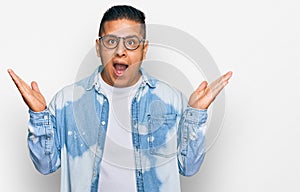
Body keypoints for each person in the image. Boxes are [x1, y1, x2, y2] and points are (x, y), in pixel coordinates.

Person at [8, 5, 232, 192]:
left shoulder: (171, 99)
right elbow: (46, 166)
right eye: (111, 41)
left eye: (132, 43)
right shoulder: (68, 101)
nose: (121, 51)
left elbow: (189, 168)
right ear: (98, 47)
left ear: (144, 50)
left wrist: (196, 114)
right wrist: (38, 116)